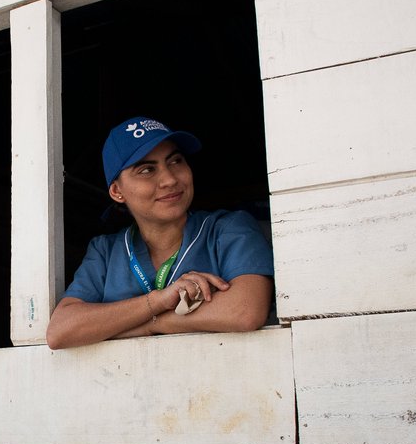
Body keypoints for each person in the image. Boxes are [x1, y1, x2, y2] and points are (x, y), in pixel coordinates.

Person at [47, 116, 275, 349]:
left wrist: (150, 324)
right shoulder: (105, 251)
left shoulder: (228, 229)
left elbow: (246, 311)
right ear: (117, 191)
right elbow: (60, 331)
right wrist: (156, 302)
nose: (169, 179)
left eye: (175, 161)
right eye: (147, 170)